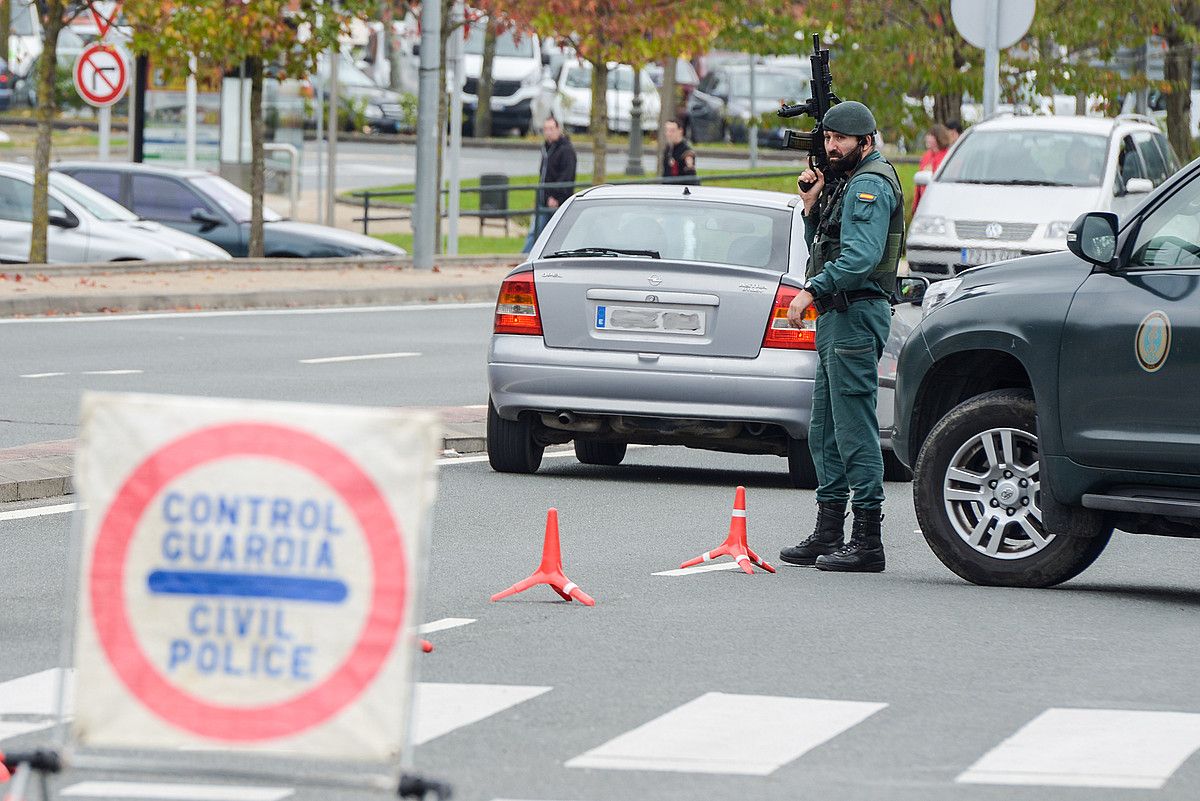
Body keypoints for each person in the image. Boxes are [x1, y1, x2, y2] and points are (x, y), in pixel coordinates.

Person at [778, 100, 904, 573]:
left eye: (840, 140)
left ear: (865, 141)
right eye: (827, 138)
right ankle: (829, 530)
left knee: (853, 430)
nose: (831, 147)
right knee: (825, 429)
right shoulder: (849, 180)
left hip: (855, 313)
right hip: (839, 315)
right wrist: (812, 208)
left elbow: (860, 259)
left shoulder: (869, 183)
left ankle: (867, 540)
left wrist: (812, 289)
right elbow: (827, 241)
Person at [523, 116, 577, 253]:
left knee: (551, 234)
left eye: (551, 129)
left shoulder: (566, 150)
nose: (548, 132)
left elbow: (566, 176)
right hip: (544, 197)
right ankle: (525, 257)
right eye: (545, 129)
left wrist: (556, 196)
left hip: (556, 200)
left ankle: (525, 256)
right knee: (535, 233)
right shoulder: (547, 149)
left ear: (558, 129)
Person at [912, 123, 950, 214]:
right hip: (924, 204)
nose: (927, 138)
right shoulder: (926, 156)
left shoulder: (948, 156)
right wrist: (915, 207)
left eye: (931, 136)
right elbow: (919, 183)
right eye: (928, 135)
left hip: (940, 204)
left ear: (939, 137)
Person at [661, 119, 699, 186]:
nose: (668, 134)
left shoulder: (687, 153)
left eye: (672, 131)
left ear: (680, 131)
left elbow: (691, 178)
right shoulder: (668, 149)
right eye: (667, 130)